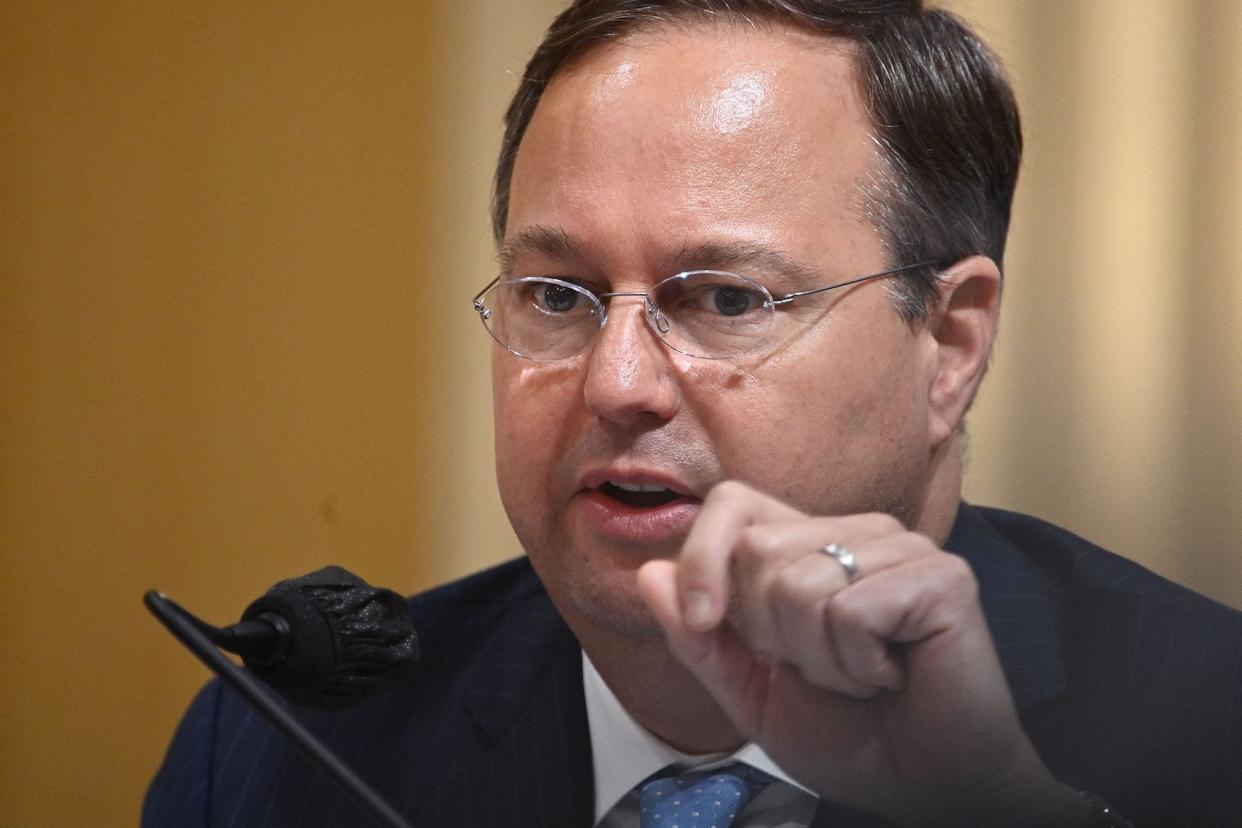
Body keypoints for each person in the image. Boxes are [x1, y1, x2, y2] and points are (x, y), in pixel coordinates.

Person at [144, 1, 1242, 826]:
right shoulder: (271, 756)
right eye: (558, 296)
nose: (617, 382)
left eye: (725, 299)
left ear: (949, 342)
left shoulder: (1204, 720)